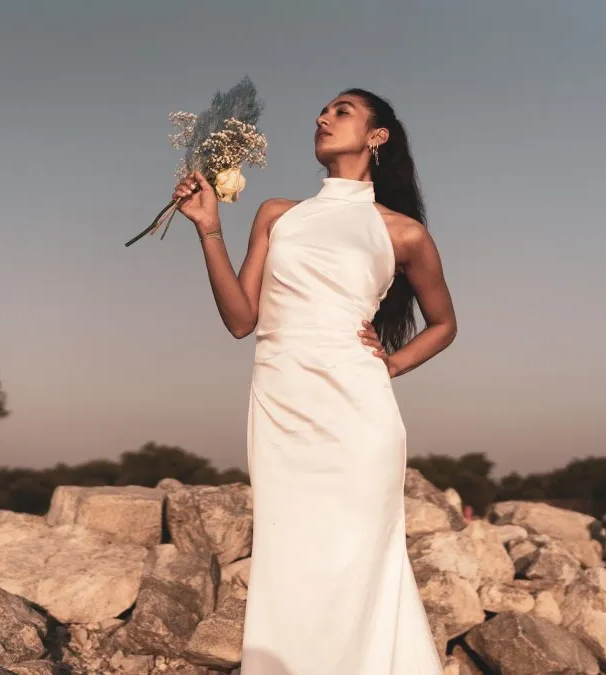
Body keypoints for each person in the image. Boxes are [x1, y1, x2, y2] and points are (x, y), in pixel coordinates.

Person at [171, 88, 457, 675]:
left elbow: (445, 324)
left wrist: (393, 363)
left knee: (359, 564)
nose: (323, 117)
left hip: (358, 414)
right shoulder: (278, 213)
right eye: (323, 111)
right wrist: (208, 228)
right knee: (290, 561)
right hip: (281, 407)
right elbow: (240, 320)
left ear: (377, 137)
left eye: (342, 111)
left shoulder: (403, 233)